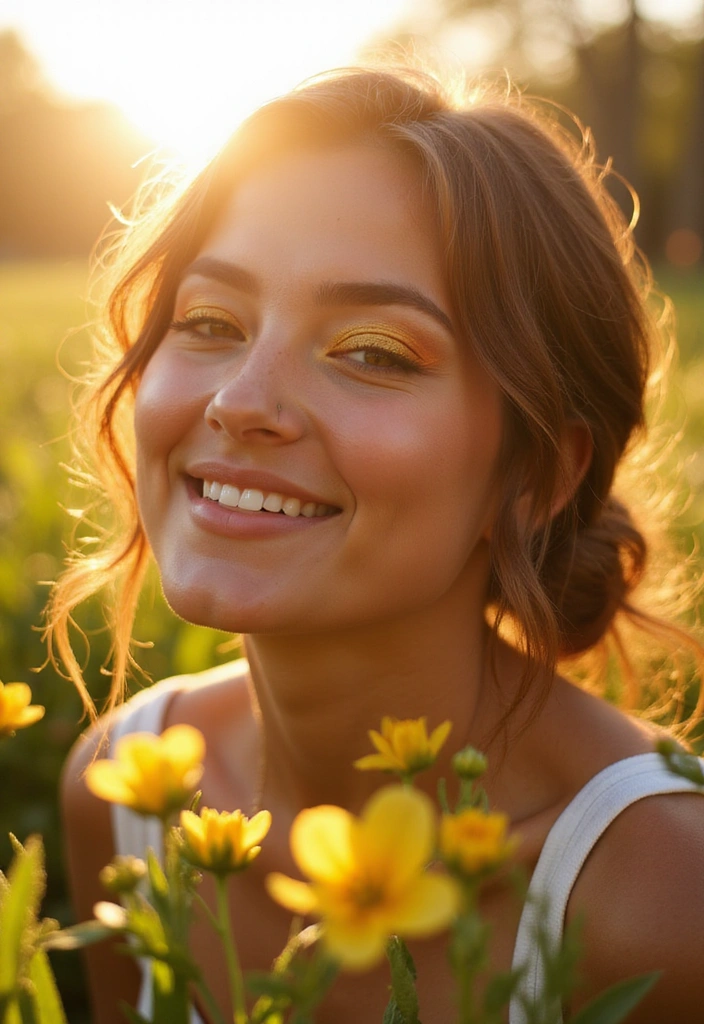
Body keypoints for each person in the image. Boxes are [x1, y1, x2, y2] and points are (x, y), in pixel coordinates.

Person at [53, 65, 704, 1024]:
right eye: (208, 321)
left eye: (373, 351)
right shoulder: (125, 791)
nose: (240, 402)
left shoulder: (660, 897)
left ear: (537, 475)